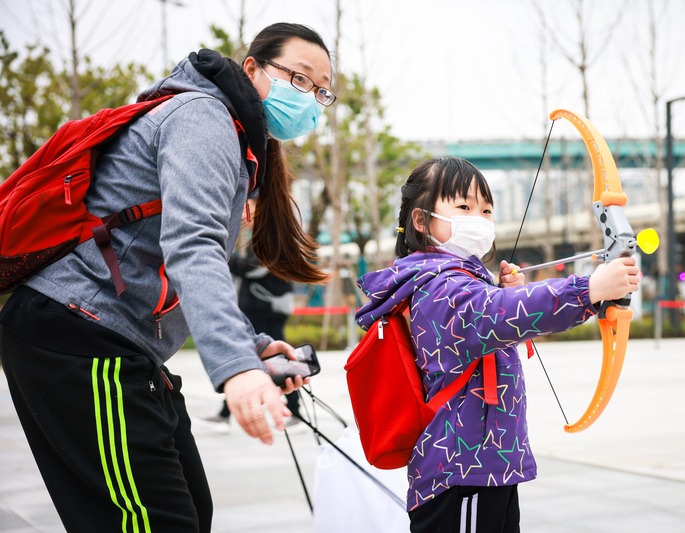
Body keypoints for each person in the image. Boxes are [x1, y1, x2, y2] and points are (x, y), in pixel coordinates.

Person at [0, 23, 333, 533]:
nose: (309, 97)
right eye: (299, 78)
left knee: (191, 514)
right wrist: (235, 370)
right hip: (81, 336)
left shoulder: (238, 144)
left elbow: (176, 268)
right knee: (160, 523)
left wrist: (254, 348)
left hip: (119, 342)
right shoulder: (203, 117)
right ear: (252, 69)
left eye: (321, 90)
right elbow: (191, 249)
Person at [355, 157, 640, 533]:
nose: (480, 217)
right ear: (421, 221)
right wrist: (589, 289)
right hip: (462, 472)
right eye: (464, 207)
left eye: (486, 209)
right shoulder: (441, 286)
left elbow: (495, 316)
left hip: (484, 466)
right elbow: (498, 313)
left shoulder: (456, 281)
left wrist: (506, 294)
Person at [204, 200, 301, 427]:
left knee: (268, 356)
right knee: (259, 354)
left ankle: (294, 411)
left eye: (250, 210)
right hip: (261, 308)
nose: (245, 215)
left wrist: (220, 254)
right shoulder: (263, 236)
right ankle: (227, 413)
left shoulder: (270, 236)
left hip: (266, 309)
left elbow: (252, 269)